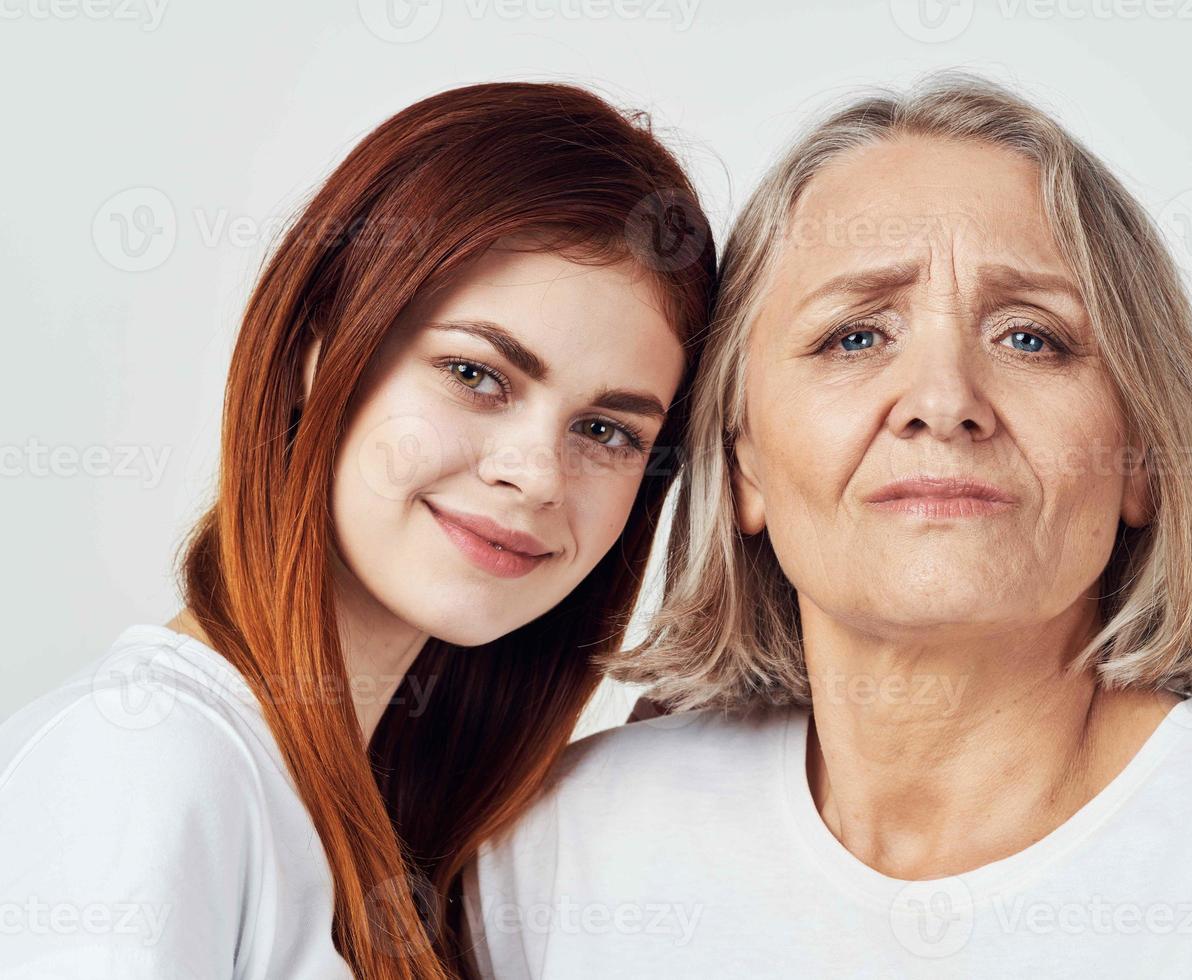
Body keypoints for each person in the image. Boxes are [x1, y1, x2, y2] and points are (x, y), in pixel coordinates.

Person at [471, 72, 1192, 978]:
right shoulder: (560, 855)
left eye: (1031, 337)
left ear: (1146, 460)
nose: (943, 400)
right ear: (743, 468)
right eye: (855, 334)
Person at [0, 82, 715, 979]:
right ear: (315, 349)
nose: (534, 475)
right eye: (475, 373)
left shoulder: (406, 835)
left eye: (607, 430)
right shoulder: (142, 761)